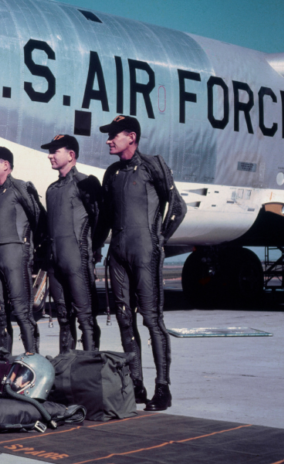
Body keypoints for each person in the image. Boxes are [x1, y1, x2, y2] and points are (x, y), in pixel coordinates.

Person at [95, 116, 187, 411]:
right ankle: (136, 385)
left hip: (145, 252)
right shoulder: (111, 173)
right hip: (118, 255)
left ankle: (163, 387)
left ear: (131, 137)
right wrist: (96, 246)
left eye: (114, 135)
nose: (109, 140)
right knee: (124, 319)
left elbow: (178, 207)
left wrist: (160, 239)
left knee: (151, 319)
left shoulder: (152, 165)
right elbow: (106, 218)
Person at [0, 146, 46, 355]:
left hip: (16, 256)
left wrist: (32, 249)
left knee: (22, 311)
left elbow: (39, 218)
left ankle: (32, 357)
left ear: (6, 166)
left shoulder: (20, 188)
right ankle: (3, 358)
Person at [41, 134, 103, 353]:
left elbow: (99, 219)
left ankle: (90, 368)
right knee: (63, 318)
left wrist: (92, 248)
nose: (50, 156)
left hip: (77, 259)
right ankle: (66, 370)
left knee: (85, 317)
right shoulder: (51, 190)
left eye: (55, 151)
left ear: (71, 155)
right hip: (56, 264)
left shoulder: (85, 183)